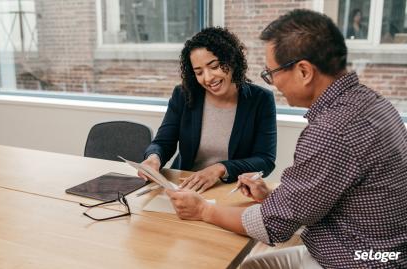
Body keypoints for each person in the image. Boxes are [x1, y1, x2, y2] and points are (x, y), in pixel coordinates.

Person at [166, 9, 407, 268]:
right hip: (380, 251)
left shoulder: (331, 130)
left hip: (356, 260)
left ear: (304, 71)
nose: (273, 83)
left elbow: (272, 226)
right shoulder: (371, 101)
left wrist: (203, 210)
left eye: (272, 73)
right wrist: (272, 195)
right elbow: (323, 193)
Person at [139, 27, 277, 193]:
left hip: (231, 190)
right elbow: (163, 143)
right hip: (185, 187)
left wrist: (220, 169)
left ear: (231, 60)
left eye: (214, 66)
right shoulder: (184, 95)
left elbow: (265, 160)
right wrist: (154, 158)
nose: (208, 78)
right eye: (199, 72)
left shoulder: (261, 99)